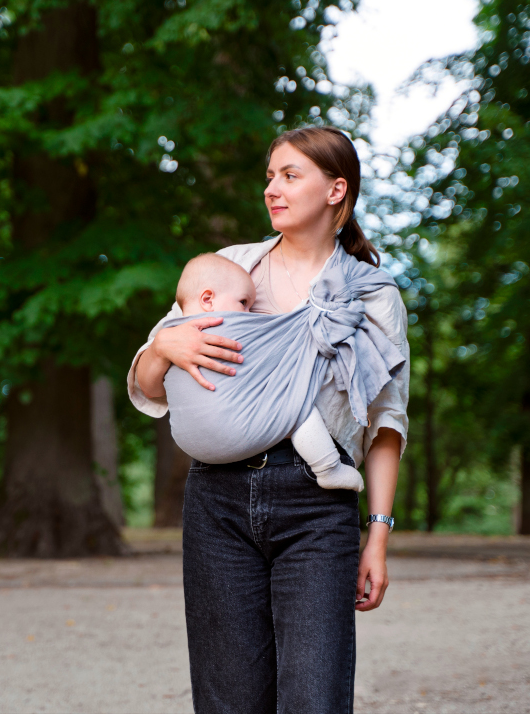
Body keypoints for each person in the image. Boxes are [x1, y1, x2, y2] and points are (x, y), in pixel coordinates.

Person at [128, 127, 408, 714]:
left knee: (316, 698)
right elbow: (153, 383)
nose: (271, 189)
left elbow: (385, 422)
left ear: (336, 190)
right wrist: (163, 348)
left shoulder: (371, 295)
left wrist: (378, 537)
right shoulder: (231, 268)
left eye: (289, 175)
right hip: (218, 500)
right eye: (269, 177)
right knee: (229, 699)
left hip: (317, 504)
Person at [166, 251, 400, 491]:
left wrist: (160, 346)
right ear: (207, 300)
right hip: (218, 470)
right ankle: (328, 468)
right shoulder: (213, 327)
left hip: (193, 446)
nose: (249, 313)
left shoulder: (170, 333)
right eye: (243, 303)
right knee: (295, 401)